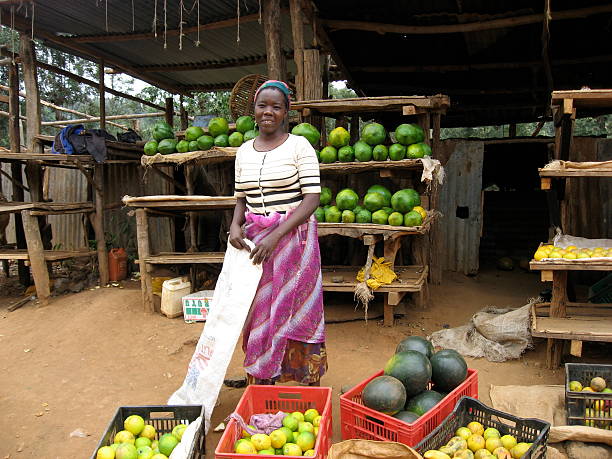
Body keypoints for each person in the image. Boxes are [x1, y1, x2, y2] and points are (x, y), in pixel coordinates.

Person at [229, 80, 327, 386]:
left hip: (294, 241)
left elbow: (312, 198)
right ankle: (263, 377)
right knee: (259, 309)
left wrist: (276, 235)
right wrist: (234, 224)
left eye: (276, 106)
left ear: (286, 112)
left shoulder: (300, 146)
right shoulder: (244, 151)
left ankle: (305, 379)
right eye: (262, 106)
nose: (268, 112)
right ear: (254, 111)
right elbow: (240, 198)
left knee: (298, 306)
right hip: (256, 244)